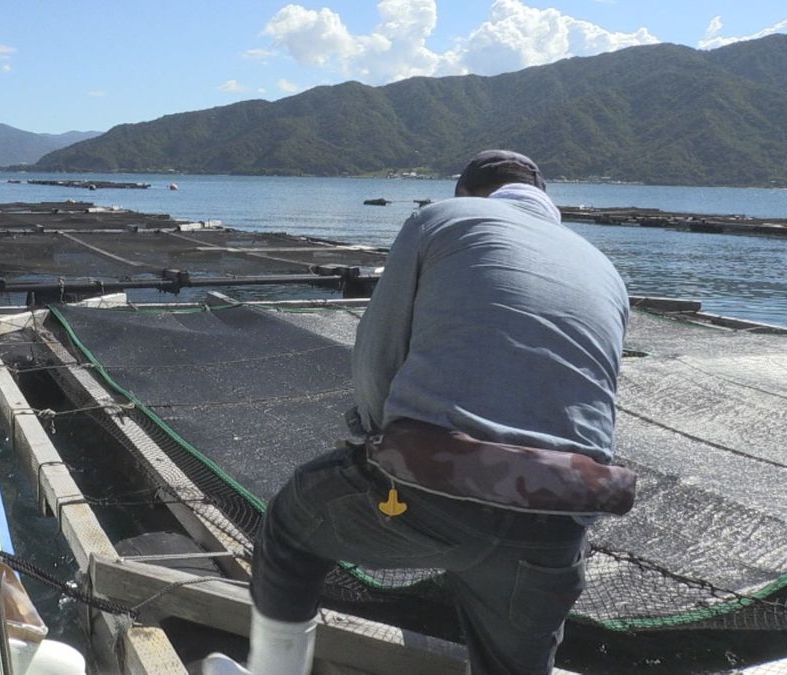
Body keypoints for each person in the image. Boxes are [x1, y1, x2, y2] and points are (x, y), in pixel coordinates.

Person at [205, 151, 631, 675]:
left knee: (291, 530)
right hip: (558, 518)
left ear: (468, 194)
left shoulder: (442, 220)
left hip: (433, 483)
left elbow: (378, 351)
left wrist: (371, 436)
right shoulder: (605, 268)